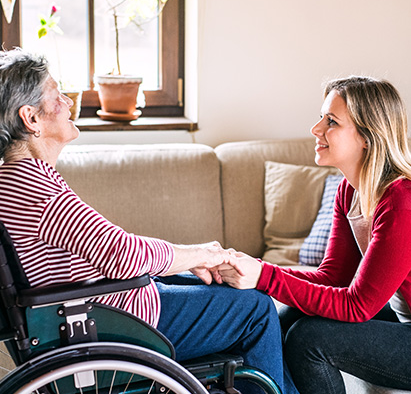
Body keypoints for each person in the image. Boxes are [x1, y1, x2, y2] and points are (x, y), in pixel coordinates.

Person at [0, 48, 298, 394]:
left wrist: (190, 261)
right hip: (110, 322)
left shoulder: (21, 178)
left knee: (232, 288)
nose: (69, 103)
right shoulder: (36, 191)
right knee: (255, 308)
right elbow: (126, 254)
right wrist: (203, 254)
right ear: (31, 119)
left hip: (102, 308)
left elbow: (111, 247)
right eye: (57, 96)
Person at [219, 75, 411, 393]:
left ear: (367, 137)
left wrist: (264, 276)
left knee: (309, 339)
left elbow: (358, 305)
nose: (316, 129)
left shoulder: (401, 201)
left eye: (331, 121)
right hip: (402, 320)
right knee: (288, 316)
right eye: (321, 117)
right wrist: (253, 268)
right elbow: (333, 277)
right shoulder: (349, 191)